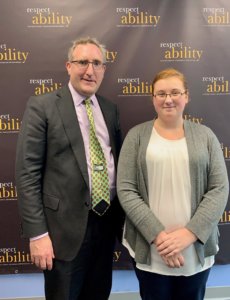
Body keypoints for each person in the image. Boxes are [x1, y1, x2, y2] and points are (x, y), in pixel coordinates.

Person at [15, 37, 123, 300]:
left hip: (105, 226)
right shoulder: (43, 106)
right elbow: (27, 174)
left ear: (104, 69)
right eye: (82, 62)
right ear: (68, 66)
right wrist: (37, 235)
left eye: (97, 63)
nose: (90, 70)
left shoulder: (110, 109)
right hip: (61, 233)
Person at [117, 68, 229, 300]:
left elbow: (219, 189)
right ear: (153, 98)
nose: (168, 99)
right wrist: (160, 238)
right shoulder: (136, 136)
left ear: (186, 96)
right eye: (161, 94)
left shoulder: (205, 135)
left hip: (195, 249)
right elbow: (126, 190)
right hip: (151, 249)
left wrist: (189, 234)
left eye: (175, 92)